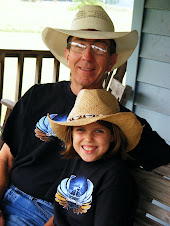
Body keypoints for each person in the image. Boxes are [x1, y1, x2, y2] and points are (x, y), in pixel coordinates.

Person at [0, 4, 169, 226]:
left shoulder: (118, 122)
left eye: (99, 48)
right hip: (8, 198)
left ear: (111, 61)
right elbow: (4, 159)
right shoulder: (37, 96)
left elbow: (161, 156)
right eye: (79, 45)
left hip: (54, 215)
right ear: (67, 54)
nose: (87, 56)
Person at [45, 88, 143, 226]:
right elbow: (58, 216)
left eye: (98, 131)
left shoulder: (115, 176)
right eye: (80, 129)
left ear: (113, 136)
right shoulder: (76, 160)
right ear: (71, 133)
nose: (88, 139)